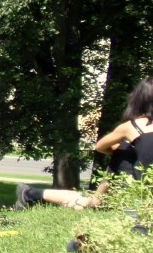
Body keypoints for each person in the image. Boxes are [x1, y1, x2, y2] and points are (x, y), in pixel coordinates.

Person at [15, 76, 153, 210]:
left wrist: (126, 148)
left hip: (135, 189)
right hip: (136, 189)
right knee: (122, 153)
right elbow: (100, 146)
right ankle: (31, 194)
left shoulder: (132, 126)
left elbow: (101, 147)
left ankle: (32, 194)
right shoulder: (132, 127)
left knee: (122, 151)